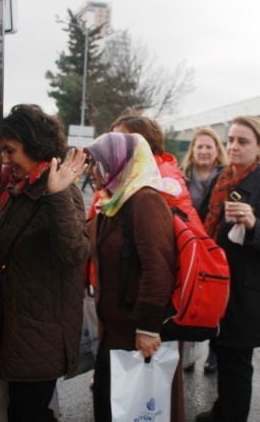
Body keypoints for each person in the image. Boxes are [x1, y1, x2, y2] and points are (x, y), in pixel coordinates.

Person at [0, 104, 90, 421]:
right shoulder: (20, 188)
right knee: (24, 412)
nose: (5, 159)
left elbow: (74, 254)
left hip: (41, 333)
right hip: (21, 328)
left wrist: (58, 194)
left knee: (28, 414)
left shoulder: (60, 191)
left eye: (11, 150)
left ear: (34, 148)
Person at [196, 116, 260, 422]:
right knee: (224, 354)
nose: (234, 147)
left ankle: (230, 416)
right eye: (231, 140)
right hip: (217, 286)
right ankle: (222, 411)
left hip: (247, 294)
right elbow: (201, 226)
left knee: (237, 362)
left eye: (243, 141)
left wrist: (254, 225)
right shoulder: (220, 179)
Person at [84, 132, 184, 422]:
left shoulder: (145, 201)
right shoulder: (114, 201)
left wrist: (148, 327)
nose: (92, 170)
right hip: (113, 330)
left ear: (119, 164)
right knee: (111, 404)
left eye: (97, 163)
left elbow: (158, 267)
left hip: (134, 333)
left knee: (133, 409)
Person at [181, 126, 228, 374]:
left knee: (215, 301)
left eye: (209, 146)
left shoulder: (224, 178)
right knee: (190, 299)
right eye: (199, 146)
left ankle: (214, 352)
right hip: (190, 247)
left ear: (217, 150)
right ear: (193, 150)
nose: (204, 151)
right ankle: (188, 353)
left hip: (215, 247)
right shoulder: (182, 177)